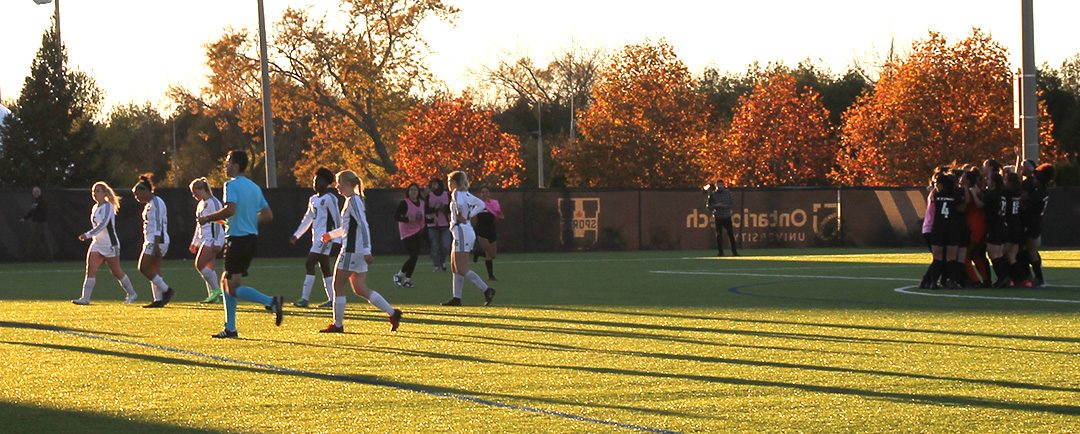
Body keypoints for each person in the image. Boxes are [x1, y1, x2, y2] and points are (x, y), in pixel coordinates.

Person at [197, 150, 283, 338]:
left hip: (237, 239)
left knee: (232, 286)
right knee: (225, 281)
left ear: (236, 165)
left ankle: (271, 301)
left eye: (227, 162)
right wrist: (249, 221)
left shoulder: (231, 185)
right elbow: (268, 215)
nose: (225, 165)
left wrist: (207, 218)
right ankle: (230, 328)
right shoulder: (254, 187)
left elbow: (230, 210)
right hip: (250, 238)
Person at [318, 170, 402, 333]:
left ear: (348, 184)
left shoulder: (354, 201)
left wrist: (366, 249)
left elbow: (363, 225)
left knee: (337, 284)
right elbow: (347, 228)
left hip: (352, 251)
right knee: (360, 288)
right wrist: (331, 235)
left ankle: (338, 324)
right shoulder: (352, 200)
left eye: (339, 183)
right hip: (356, 251)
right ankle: (393, 313)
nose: (337, 186)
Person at [72, 182, 138, 305]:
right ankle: (85, 298)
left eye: (97, 191)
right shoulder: (95, 208)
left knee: (116, 271)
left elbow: (103, 225)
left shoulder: (108, 207)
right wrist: (92, 237)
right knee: (90, 270)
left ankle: (132, 294)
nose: (94, 194)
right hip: (97, 244)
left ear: (105, 193)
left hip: (110, 244)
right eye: (93, 191)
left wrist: (87, 235)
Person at [441, 171, 496, 306]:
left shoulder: (456, 193)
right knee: (455, 267)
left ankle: (487, 290)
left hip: (462, 231)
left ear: (454, 183)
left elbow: (460, 205)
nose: (448, 185)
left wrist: (462, 214)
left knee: (461, 267)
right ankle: (456, 298)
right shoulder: (465, 193)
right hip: (461, 231)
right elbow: (482, 205)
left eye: (449, 182)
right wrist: (470, 214)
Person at [289, 168, 341, 308]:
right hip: (316, 238)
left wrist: (337, 239)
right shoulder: (313, 199)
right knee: (324, 268)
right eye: (314, 180)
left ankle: (305, 299)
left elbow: (337, 219)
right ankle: (332, 300)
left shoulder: (330, 198)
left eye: (318, 180)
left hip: (326, 238)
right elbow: (308, 219)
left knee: (309, 263)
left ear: (326, 182)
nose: (315, 183)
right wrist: (297, 234)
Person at [132, 174, 177, 308]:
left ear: (144, 190)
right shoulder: (149, 204)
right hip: (151, 239)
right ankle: (158, 300)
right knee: (154, 269)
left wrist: (156, 244)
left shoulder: (157, 202)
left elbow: (158, 225)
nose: (136, 197)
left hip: (157, 240)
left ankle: (166, 290)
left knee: (143, 267)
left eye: (137, 194)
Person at [189, 178, 226, 304]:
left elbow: (218, 221)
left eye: (195, 192)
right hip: (205, 238)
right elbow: (198, 225)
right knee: (209, 267)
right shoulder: (200, 205)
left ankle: (216, 290)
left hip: (213, 237)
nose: (194, 196)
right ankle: (213, 296)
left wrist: (216, 241)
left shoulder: (213, 202)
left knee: (199, 264)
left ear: (202, 189)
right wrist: (195, 242)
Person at [1022, 163, 1054, 287]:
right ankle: (1033, 277)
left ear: (1040, 181)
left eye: (1035, 179)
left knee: (1031, 251)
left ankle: (1039, 279)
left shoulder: (1038, 193)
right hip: (1036, 222)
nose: (1033, 180)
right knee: (1029, 250)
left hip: (1033, 223)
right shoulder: (1043, 191)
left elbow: (1027, 207)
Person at [393, 183, 425, 288]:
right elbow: (396, 216)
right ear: (408, 192)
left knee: (415, 257)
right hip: (406, 233)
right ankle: (399, 275)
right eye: (411, 190)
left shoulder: (422, 203)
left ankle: (407, 280)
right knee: (413, 256)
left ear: (418, 192)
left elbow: (422, 217)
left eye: (415, 190)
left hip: (417, 231)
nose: (413, 192)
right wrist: (407, 219)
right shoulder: (404, 203)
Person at [473, 185, 503, 281]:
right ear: (480, 194)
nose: (485, 194)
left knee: (492, 255)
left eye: (486, 192)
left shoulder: (494, 203)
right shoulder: (478, 204)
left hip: (491, 230)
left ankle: (477, 253)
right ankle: (491, 275)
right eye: (483, 192)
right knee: (488, 251)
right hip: (481, 230)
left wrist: (499, 214)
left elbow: (499, 214)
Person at [705, 179, 738, 257]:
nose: (720, 186)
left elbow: (733, 204)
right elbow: (708, 207)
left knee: (731, 234)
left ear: (724, 185)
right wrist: (716, 206)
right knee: (719, 235)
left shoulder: (728, 193)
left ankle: (734, 252)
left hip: (727, 216)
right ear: (716, 185)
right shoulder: (713, 195)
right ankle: (721, 252)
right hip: (718, 217)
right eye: (718, 185)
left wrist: (726, 206)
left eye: (721, 184)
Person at [20, 186, 53, 261]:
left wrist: (39, 220)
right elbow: (31, 211)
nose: (35, 193)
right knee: (43, 240)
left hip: (40, 224)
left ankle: (25, 257)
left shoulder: (43, 201)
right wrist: (24, 218)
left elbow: (43, 213)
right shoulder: (35, 202)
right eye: (34, 192)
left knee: (33, 240)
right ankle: (50, 258)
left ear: (40, 192)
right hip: (36, 223)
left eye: (36, 192)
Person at [425, 178, 452, 271]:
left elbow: (451, 208)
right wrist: (434, 209)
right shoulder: (429, 196)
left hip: (445, 224)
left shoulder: (447, 195)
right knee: (435, 246)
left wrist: (444, 208)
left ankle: (442, 261)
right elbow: (425, 210)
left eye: (435, 184)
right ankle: (437, 265)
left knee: (446, 246)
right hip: (432, 225)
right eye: (432, 184)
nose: (434, 186)